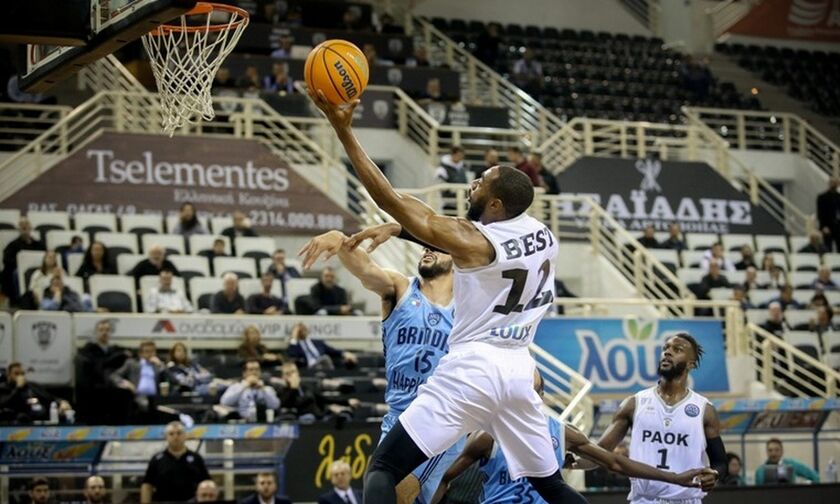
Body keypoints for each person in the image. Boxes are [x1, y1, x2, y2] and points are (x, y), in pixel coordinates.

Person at [309, 87, 595, 503]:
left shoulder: (475, 241)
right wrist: (401, 230)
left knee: (384, 468)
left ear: (495, 204)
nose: (473, 182)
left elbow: (391, 198)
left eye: (482, 182)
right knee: (550, 485)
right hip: (518, 369)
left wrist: (343, 130)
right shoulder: (542, 233)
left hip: (473, 369)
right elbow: (464, 243)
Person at [300, 225, 458, 504]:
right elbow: (366, 268)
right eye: (425, 246)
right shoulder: (400, 287)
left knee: (393, 489)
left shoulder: (467, 307)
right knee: (378, 487)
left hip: (440, 418)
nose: (428, 249)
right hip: (397, 415)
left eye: (437, 246)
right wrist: (340, 242)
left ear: (456, 257)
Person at [432, 372, 713, 503]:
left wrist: (674, 478)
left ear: (540, 397)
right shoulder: (488, 436)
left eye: (530, 389)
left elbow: (615, 463)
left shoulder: (560, 432)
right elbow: (446, 477)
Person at [597, 333, 727, 503]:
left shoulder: (704, 410)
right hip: (644, 499)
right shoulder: (634, 403)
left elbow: (720, 462)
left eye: (677, 349)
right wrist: (571, 459)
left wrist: (714, 475)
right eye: (665, 348)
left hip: (686, 499)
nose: (667, 352)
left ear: (691, 364)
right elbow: (599, 451)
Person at [141, 421, 211, 503]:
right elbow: (147, 485)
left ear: (185, 436)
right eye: (171, 434)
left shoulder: (196, 458)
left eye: (179, 433)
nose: (175, 436)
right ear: (166, 437)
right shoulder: (156, 460)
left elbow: (207, 483)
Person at [76, 320, 130, 423]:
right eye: (101, 330)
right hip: (96, 388)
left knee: (125, 394)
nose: (104, 333)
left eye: (107, 330)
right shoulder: (89, 349)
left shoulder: (115, 349)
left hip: (113, 386)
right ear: (96, 332)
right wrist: (117, 357)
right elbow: (98, 365)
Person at [276, 360, 359, 420]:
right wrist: (293, 389)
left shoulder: (306, 387)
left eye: (294, 372)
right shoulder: (282, 391)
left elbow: (325, 399)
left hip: (318, 417)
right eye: (288, 373)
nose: (292, 376)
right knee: (308, 417)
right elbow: (286, 404)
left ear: (298, 373)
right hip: (301, 421)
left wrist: (347, 402)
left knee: (343, 415)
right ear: (283, 377)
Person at [0, 362, 72, 424]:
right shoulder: (3, 388)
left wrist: (61, 402)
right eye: (16, 374)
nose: (20, 376)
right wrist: (18, 388)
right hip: (15, 423)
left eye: (22, 373)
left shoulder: (32, 386)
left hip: (39, 420)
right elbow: (4, 402)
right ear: (9, 375)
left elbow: (50, 397)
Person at [110, 341, 165, 420]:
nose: (150, 354)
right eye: (147, 351)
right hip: (136, 397)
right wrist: (124, 383)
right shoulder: (131, 363)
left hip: (156, 399)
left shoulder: (158, 365)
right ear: (140, 354)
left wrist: (161, 366)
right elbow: (114, 376)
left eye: (152, 351)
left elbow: (173, 379)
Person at [1, 216, 45, 301]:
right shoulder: (13, 245)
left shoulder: (39, 244)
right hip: (18, 270)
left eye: (26, 225)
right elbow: (7, 260)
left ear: (30, 227)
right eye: (22, 225)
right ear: (19, 228)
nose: (24, 228)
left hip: (38, 269)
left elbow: (45, 256)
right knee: (16, 274)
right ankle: (20, 299)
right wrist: (21, 263)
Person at [286, 322, 356, 370]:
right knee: (325, 358)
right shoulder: (295, 345)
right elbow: (291, 356)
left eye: (303, 329)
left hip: (322, 366)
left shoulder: (317, 342)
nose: (302, 331)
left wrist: (345, 353)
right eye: (299, 330)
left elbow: (332, 350)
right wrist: (294, 338)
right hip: (309, 369)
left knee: (328, 359)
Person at [754, 438, 819, 485]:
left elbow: (814, 476)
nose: (773, 453)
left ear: (782, 451)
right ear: (766, 452)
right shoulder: (760, 471)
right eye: (770, 450)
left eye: (777, 450)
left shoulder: (791, 465)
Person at [816, 177, 840, 251]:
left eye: (835, 183)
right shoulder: (822, 197)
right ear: (829, 184)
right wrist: (823, 226)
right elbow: (820, 213)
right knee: (828, 248)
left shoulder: (839, 197)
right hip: (827, 226)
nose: (834, 185)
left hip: (838, 226)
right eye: (832, 183)